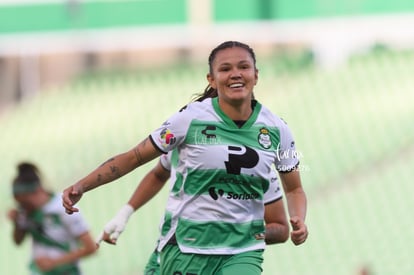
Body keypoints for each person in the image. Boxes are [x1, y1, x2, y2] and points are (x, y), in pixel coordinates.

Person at [63, 40, 308, 274]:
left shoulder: (278, 129)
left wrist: (299, 219)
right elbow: (136, 157)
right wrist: (83, 185)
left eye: (244, 67)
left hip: (243, 249)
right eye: (225, 69)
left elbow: (294, 189)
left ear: (256, 75)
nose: (235, 74)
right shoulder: (188, 121)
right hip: (187, 244)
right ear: (211, 79)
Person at [97, 150, 289, 275]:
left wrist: (241, 235)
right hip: (173, 250)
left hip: (232, 256)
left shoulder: (257, 167)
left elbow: (281, 229)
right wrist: (125, 212)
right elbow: (158, 173)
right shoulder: (183, 141)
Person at [8, 162, 97, 275]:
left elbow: (90, 247)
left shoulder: (63, 206)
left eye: (25, 202)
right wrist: (16, 222)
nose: (23, 206)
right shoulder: (25, 211)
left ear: (37, 190)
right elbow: (18, 241)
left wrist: (55, 262)